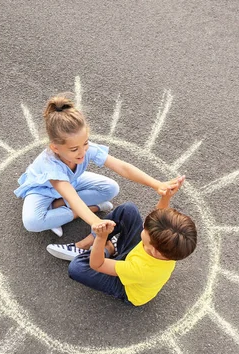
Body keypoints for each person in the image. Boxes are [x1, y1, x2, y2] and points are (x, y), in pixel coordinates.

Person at [14, 94, 181, 237]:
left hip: (72, 182)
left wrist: (156, 184)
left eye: (85, 143)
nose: (82, 152)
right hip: (42, 190)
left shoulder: (85, 150)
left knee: (111, 189)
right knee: (32, 222)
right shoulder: (51, 166)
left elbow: (123, 167)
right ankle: (91, 208)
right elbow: (74, 199)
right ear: (55, 148)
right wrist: (95, 221)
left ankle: (56, 208)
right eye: (74, 149)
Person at [46, 176, 197, 306]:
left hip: (127, 287)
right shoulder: (167, 248)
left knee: (77, 268)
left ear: (153, 249)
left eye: (145, 231)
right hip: (133, 259)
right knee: (128, 210)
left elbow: (97, 265)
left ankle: (106, 250)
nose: (143, 227)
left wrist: (101, 237)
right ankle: (88, 245)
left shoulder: (141, 269)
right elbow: (156, 220)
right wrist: (166, 197)